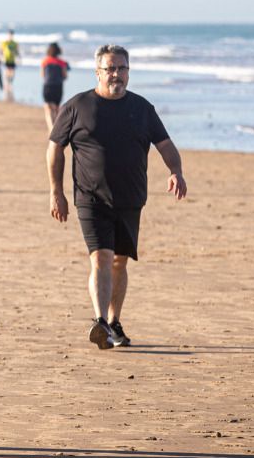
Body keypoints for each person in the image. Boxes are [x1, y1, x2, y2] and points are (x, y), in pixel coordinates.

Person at [47, 44, 186, 350]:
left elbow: (165, 144)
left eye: (122, 68)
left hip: (130, 199)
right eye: (110, 68)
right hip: (90, 199)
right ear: (98, 72)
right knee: (101, 258)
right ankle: (99, 321)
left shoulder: (142, 109)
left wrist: (176, 170)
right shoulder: (77, 106)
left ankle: (113, 323)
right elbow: (55, 148)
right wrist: (56, 192)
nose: (116, 74)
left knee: (120, 263)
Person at [41, 43, 70, 130]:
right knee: (57, 108)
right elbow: (65, 76)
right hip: (58, 86)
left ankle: (51, 128)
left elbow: (42, 75)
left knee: (48, 108)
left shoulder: (45, 61)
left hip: (48, 86)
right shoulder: (62, 63)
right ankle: (57, 128)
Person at [0, 28, 20, 99]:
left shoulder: (15, 43)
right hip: (6, 59)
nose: (10, 36)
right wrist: (1, 57)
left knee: (12, 73)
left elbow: (17, 52)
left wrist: (19, 58)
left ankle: (10, 83)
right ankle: (7, 84)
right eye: (9, 34)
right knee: (7, 71)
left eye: (11, 34)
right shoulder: (5, 43)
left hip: (12, 60)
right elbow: (1, 50)